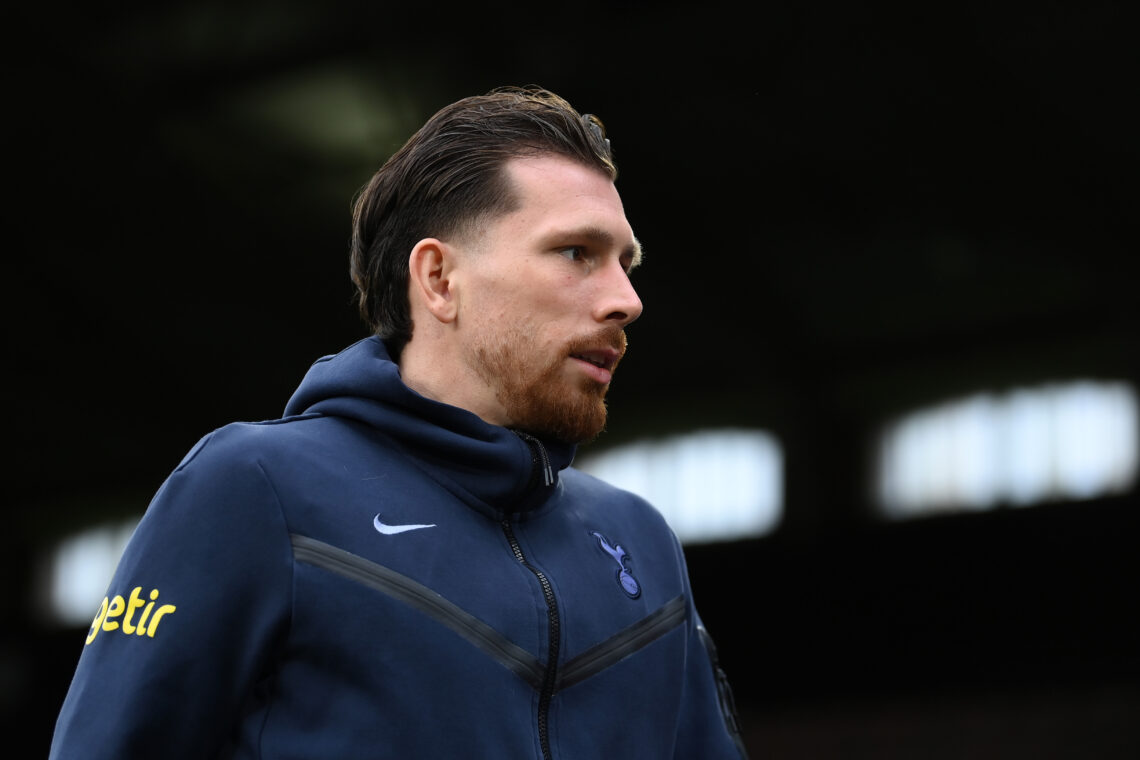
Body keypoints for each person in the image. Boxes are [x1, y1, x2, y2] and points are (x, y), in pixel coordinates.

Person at [49, 85, 749, 759]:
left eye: (626, 265)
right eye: (577, 254)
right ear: (439, 279)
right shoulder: (256, 487)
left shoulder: (643, 544)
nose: (626, 300)